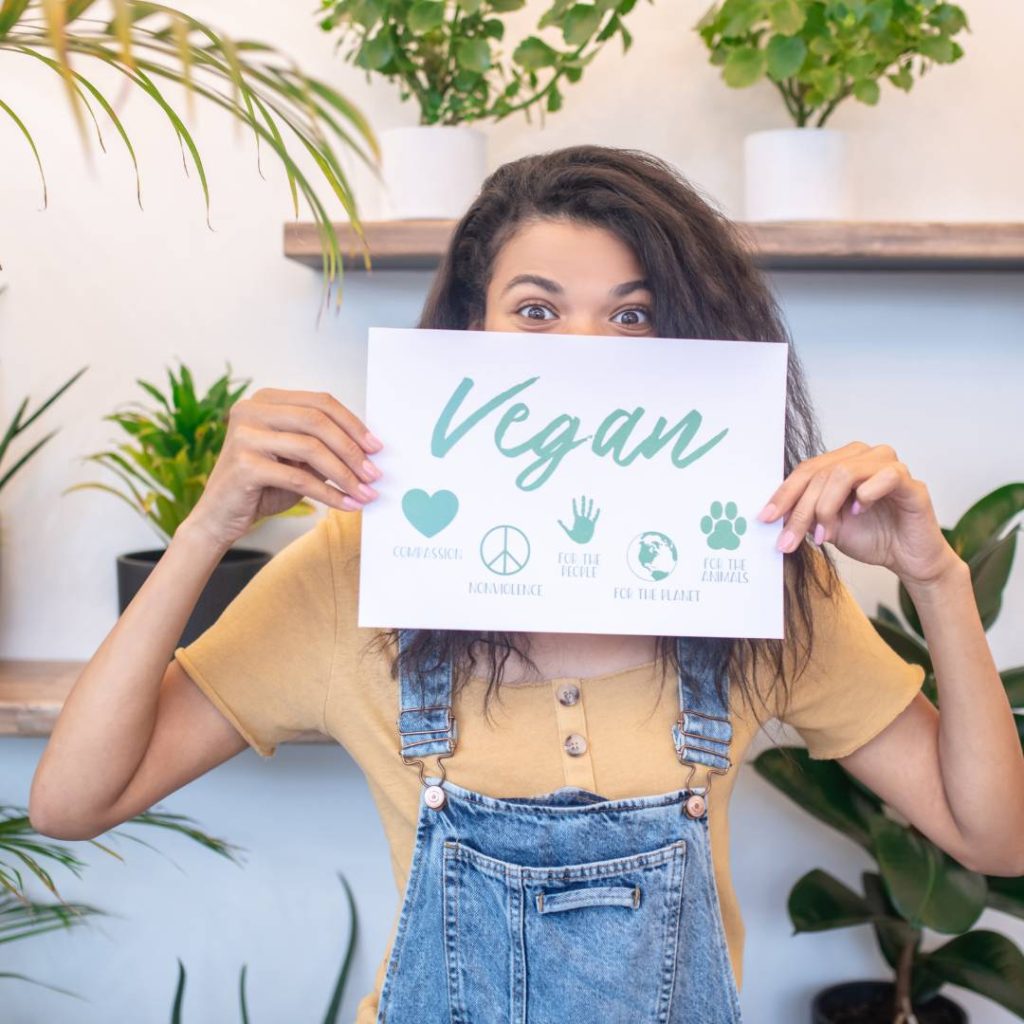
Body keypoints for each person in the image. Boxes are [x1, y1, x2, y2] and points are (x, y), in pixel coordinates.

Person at [29, 145, 1024, 1022]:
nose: (585, 352)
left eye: (633, 314)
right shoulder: (355, 570)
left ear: (689, 339)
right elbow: (73, 802)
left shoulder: (755, 568)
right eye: (537, 309)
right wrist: (207, 527)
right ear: (472, 327)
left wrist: (933, 574)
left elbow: (995, 838)